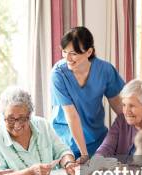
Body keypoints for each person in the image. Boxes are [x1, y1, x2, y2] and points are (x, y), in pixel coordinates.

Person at [51, 26, 125, 160]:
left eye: (73, 53)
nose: (67, 58)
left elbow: (119, 107)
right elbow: (71, 116)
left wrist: (138, 130)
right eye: (64, 51)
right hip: (66, 140)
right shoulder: (58, 74)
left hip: (97, 138)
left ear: (89, 52)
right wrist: (84, 154)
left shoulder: (105, 70)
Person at [0, 86, 77, 175]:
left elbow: (62, 151)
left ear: (30, 115)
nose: (17, 125)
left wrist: (69, 163)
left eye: (22, 118)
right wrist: (30, 172)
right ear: (3, 115)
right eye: (11, 119)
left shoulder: (42, 125)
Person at [96, 79, 142, 158]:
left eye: (131, 106)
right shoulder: (121, 121)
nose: (126, 111)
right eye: (124, 105)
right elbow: (106, 147)